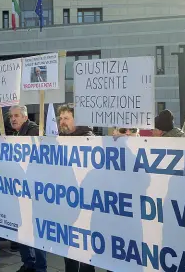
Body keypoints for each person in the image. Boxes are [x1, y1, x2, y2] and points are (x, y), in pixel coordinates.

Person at [56, 105, 112, 272]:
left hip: (87, 204)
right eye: (60, 119)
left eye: (66, 118)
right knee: (69, 248)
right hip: (67, 202)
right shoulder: (60, 139)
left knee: (86, 249)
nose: (62, 122)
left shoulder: (90, 139)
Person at [7, 105, 46, 272]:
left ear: (24, 117)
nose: (13, 119)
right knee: (22, 228)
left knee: (36, 231)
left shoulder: (34, 131)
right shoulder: (17, 133)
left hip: (34, 190)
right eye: (10, 116)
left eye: (16, 115)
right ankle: (28, 263)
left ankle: (40, 267)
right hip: (21, 189)